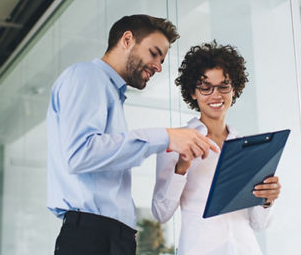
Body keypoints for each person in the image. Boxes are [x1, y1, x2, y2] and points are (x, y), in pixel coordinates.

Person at [47, 14, 218, 255]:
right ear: (127, 39)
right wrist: (166, 137)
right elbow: (79, 154)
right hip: (92, 236)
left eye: (162, 59)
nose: (158, 66)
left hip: (109, 237)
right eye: (154, 53)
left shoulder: (110, 93)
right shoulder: (87, 77)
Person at [152, 41, 281, 255]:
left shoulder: (248, 146)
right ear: (193, 92)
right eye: (205, 87)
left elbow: (259, 224)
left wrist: (267, 200)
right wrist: (182, 167)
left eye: (224, 86)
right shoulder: (176, 141)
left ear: (234, 88)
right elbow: (161, 213)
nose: (216, 95)